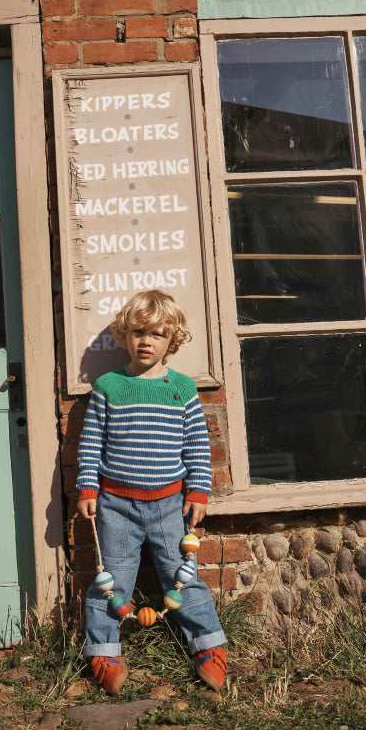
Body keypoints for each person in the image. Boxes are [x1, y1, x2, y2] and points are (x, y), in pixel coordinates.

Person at [76, 290, 228, 696]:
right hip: (115, 506)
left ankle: (209, 647)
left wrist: (198, 492)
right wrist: (87, 485)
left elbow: (197, 446)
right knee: (111, 583)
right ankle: (104, 652)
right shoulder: (109, 386)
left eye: (158, 334)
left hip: (169, 506)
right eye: (139, 332)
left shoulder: (181, 389)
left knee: (184, 578)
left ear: (171, 341)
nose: (147, 341)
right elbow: (91, 443)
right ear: (125, 335)